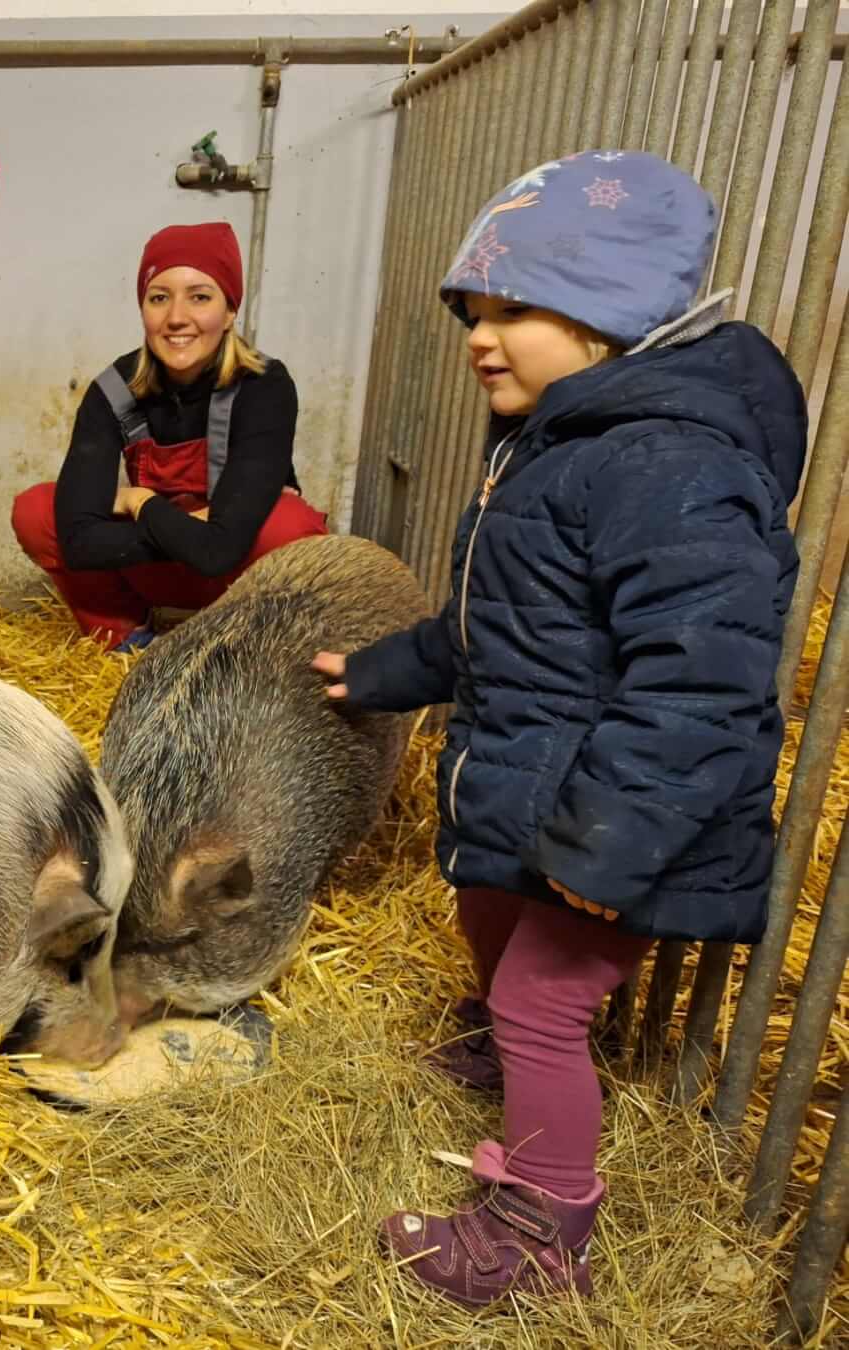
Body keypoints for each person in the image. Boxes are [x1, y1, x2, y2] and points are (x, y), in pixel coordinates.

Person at [312, 150, 808, 1306]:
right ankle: (511, 1050)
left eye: (515, 310)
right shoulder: (554, 446)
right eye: (475, 313)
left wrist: (608, 843)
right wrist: (381, 673)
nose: (481, 338)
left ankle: (540, 1237)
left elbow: (702, 685)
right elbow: (493, 625)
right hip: (543, 785)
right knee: (489, 916)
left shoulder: (667, 466)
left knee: (542, 999)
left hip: (626, 818)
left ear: (608, 317)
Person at [10, 221, 327, 652]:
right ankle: (127, 638)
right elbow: (79, 543)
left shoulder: (264, 385)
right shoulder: (114, 389)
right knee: (37, 511)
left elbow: (219, 554)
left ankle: (248, 649)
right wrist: (200, 529)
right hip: (163, 564)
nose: (177, 318)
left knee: (291, 525)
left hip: (235, 578)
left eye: (200, 297)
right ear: (143, 308)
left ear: (229, 311)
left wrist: (137, 501)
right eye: (159, 298)